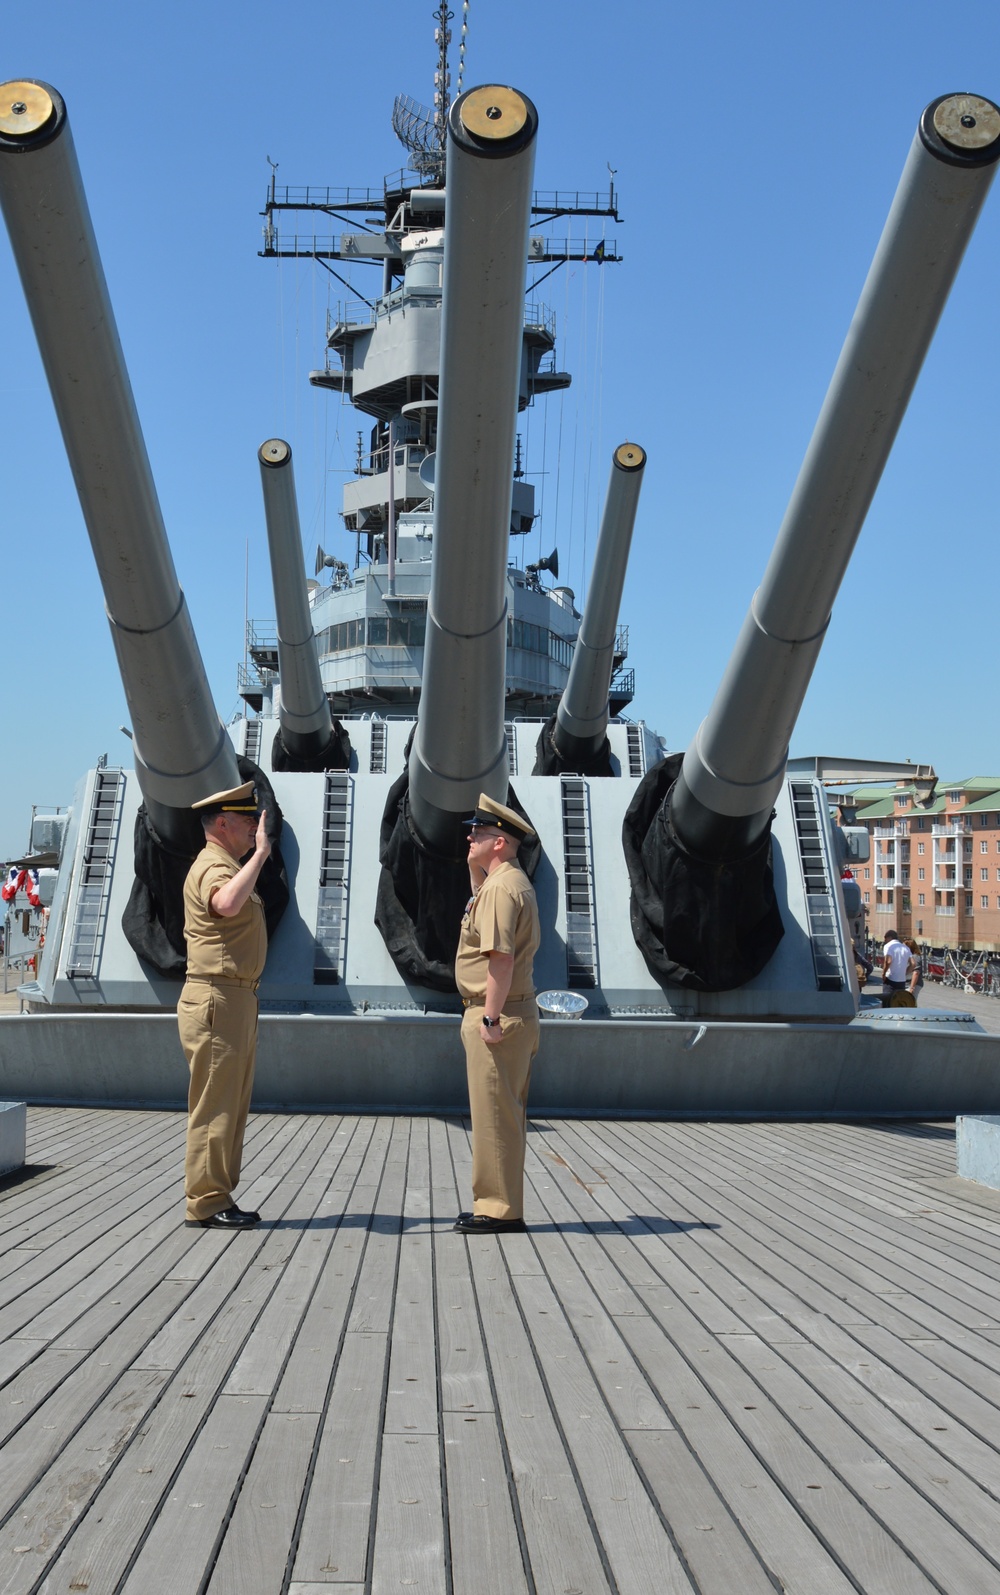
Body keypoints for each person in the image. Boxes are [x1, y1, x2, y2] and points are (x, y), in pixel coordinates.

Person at [178, 779, 271, 1228]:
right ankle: (207, 1201)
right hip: (217, 997)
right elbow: (227, 904)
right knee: (216, 1104)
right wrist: (260, 856)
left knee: (230, 1104)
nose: (254, 826)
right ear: (222, 823)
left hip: (235, 998)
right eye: (246, 820)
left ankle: (219, 1194)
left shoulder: (225, 863)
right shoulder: (215, 866)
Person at [453, 793, 540, 1235]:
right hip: (512, 1012)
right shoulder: (504, 883)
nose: (470, 837)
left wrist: (489, 1020)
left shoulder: (501, 890)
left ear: (501, 843)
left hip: (497, 1015)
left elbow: (499, 960)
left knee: (493, 1115)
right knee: (499, 1112)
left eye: (480, 833)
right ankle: (498, 1204)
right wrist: (475, 867)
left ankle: (499, 1210)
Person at [881, 929, 914, 1008]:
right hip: (901, 980)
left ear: (889, 937)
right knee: (898, 1002)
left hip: (890, 979)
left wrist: (884, 973)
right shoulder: (905, 948)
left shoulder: (888, 946)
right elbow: (913, 964)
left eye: (885, 938)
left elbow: (888, 961)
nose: (884, 940)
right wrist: (905, 973)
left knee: (887, 1002)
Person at [905, 937, 924, 1003]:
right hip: (907, 983)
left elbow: (916, 973)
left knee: (910, 1002)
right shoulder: (909, 956)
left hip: (913, 984)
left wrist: (912, 987)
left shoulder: (915, 957)